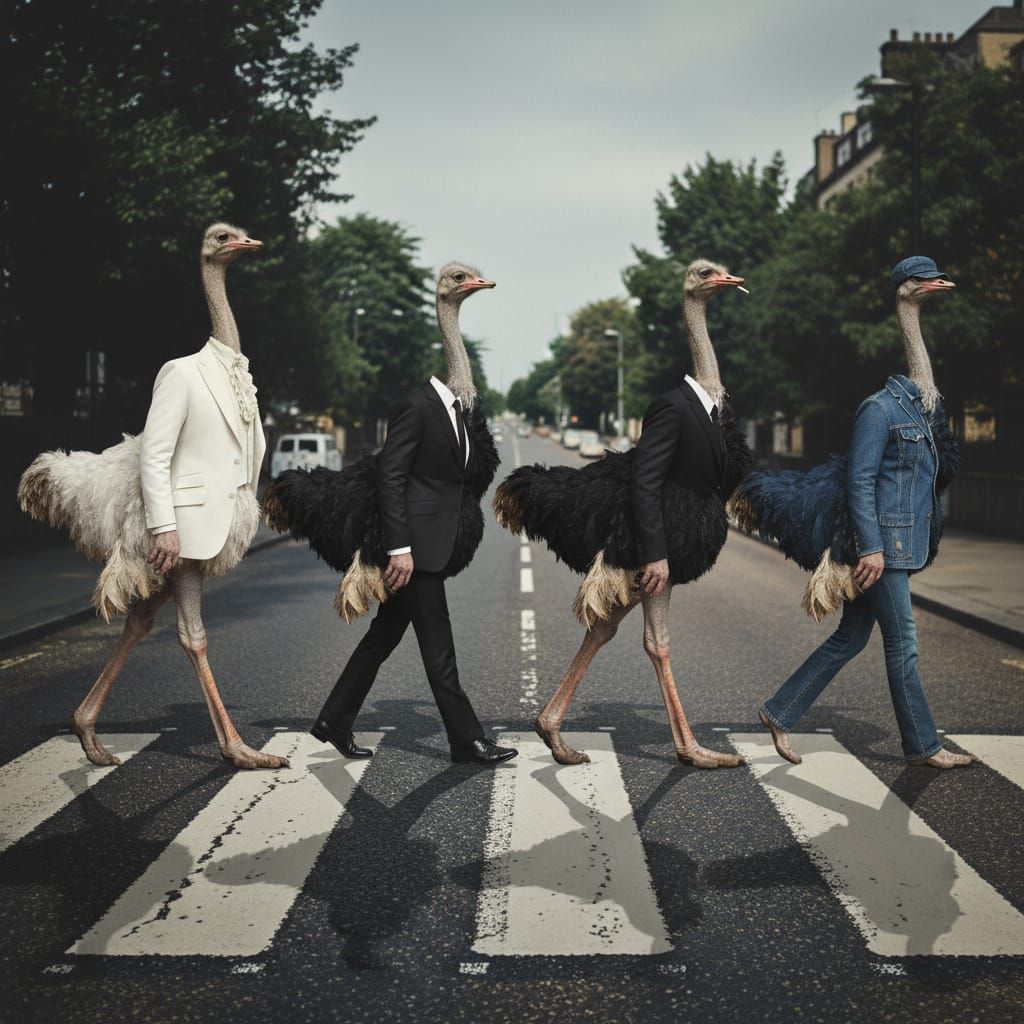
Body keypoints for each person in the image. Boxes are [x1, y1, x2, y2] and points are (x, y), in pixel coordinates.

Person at [758, 258, 972, 770]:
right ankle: (924, 745)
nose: (932, 285)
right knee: (904, 643)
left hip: (899, 543)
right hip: (882, 549)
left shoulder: (922, 410)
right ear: (904, 293)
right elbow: (859, 480)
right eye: (921, 281)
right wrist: (870, 548)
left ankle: (779, 710)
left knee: (851, 638)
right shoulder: (878, 410)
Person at [310, 375, 518, 767]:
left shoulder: (457, 413)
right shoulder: (417, 406)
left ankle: (333, 720)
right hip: (415, 550)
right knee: (439, 648)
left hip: (433, 543)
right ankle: (467, 739)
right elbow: (390, 476)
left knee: (382, 637)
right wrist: (399, 549)